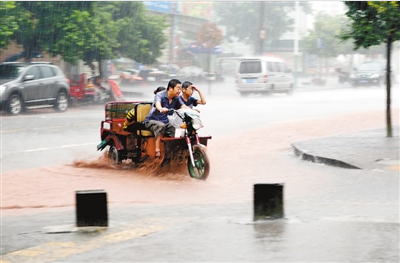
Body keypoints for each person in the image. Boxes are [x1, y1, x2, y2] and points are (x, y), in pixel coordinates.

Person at [144, 79, 189, 157]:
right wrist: (161, 109)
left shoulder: (176, 97)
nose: (180, 91)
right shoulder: (160, 95)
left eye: (181, 89)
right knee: (161, 125)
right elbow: (157, 104)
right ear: (171, 88)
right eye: (178, 88)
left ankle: (174, 150)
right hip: (152, 121)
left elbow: (183, 106)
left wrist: (192, 110)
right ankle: (157, 150)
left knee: (178, 129)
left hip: (166, 121)